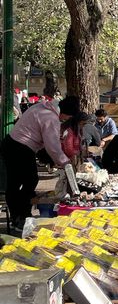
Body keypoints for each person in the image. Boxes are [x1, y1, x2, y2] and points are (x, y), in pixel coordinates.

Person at [0, 96, 78, 229]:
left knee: (19, 182)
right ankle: (20, 218)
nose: (65, 120)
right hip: (19, 147)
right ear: (65, 113)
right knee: (28, 180)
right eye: (67, 117)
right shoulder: (50, 117)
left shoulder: (43, 106)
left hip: (13, 144)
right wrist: (65, 162)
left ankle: (21, 215)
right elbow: (52, 146)